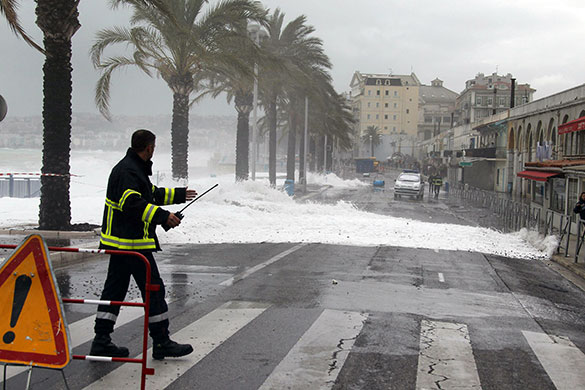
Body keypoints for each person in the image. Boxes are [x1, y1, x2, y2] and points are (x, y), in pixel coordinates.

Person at [90, 129, 197, 360]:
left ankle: (101, 340)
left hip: (123, 244)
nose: (154, 151)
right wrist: (163, 217)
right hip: (131, 244)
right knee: (154, 289)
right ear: (149, 147)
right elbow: (132, 203)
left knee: (114, 291)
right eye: (154, 147)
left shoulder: (132, 168)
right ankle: (161, 342)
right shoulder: (129, 171)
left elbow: (150, 194)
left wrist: (179, 194)